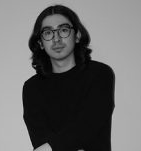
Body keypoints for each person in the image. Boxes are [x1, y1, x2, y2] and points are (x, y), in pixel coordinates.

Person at [22, 5, 115, 151]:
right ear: (40, 42)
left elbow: (89, 124)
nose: (56, 39)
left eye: (63, 30)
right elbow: (40, 139)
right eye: (48, 33)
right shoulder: (32, 88)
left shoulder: (100, 74)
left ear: (77, 36)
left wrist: (51, 148)